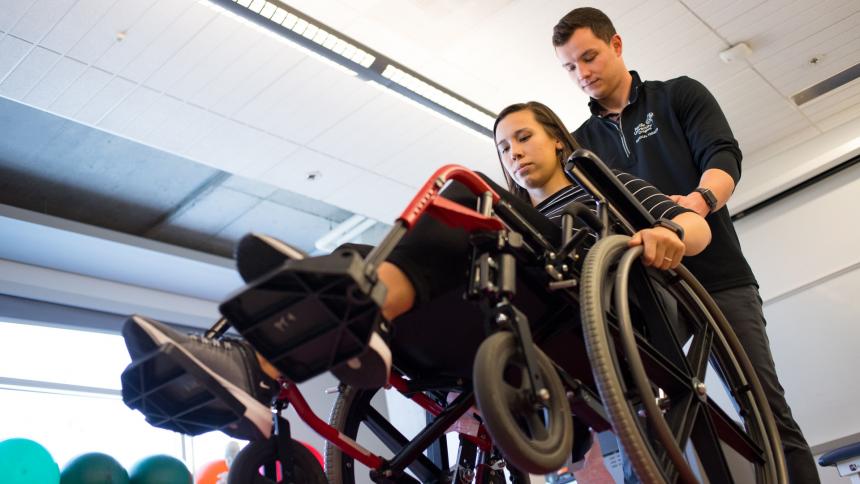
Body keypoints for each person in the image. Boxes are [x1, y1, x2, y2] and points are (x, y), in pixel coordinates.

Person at [121, 101, 710, 442]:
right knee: (377, 246)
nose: (514, 154)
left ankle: (342, 308)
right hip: (510, 304)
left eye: (524, 138)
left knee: (458, 206)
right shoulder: (509, 216)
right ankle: (256, 370)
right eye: (504, 147)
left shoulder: (604, 190)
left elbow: (698, 229)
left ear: (557, 139)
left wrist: (665, 234)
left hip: (608, 307)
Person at [550, 7, 818, 483]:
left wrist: (697, 202)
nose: (582, 73)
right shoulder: (580, 146)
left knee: (765, 412)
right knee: (649, 421)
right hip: (651, 293)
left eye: (589, 57)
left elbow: (721, 155)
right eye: (570, 67)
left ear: (616, 46)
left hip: (718, 278)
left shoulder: (677, 95)